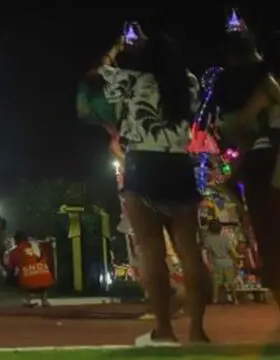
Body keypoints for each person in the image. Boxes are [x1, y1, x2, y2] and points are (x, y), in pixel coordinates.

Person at [94, 32, 208, 345]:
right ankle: (197, 331)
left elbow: (102, 74)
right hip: (178, 165)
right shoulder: (188, 82)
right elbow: (192, 111)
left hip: (143, 165)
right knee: (191, 253)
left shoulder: (131, 80)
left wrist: (119, 47)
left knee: (152, 253)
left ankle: (164, 331)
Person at [214, 24, 280, 312]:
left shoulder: (228, 87)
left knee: (268, 238)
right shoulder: (263, 80)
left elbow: (232, 130)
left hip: (256, 164)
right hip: (266, 158)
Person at [6, 231, 54, 307]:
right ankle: (44, 300)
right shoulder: (36, 246)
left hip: (29, 284)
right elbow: (45, 260)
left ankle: (27, 300)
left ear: (17, 240)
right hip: (46, 282)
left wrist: (8, 279)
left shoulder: (14, 252)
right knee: (42, 272)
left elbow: (10, 269)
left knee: (20, 275)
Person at [202, 220, 239, 304]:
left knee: (216, 283)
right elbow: (231, 251)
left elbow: (204, 252)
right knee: (231, 282)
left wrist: (207, 264)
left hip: (216, 263)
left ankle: (214, 300)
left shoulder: (208, 239)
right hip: (228, 262)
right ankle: (235, 299)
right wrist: (236, 260)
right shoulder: (225, 238)